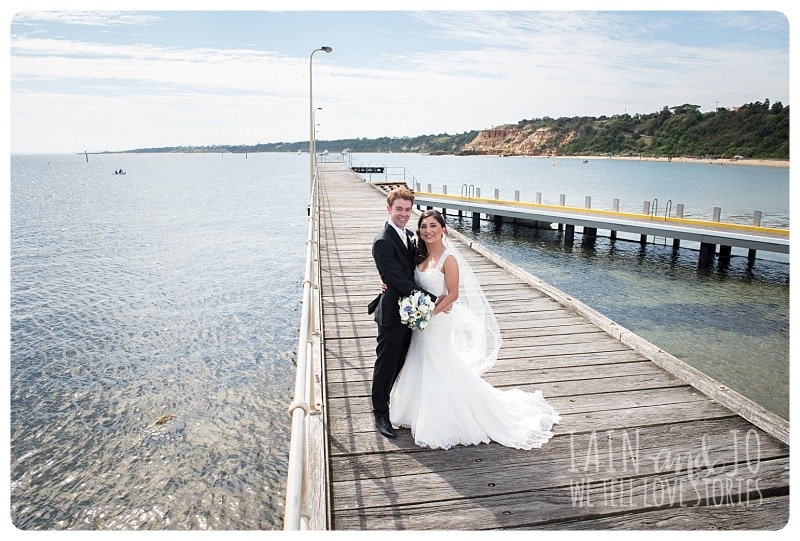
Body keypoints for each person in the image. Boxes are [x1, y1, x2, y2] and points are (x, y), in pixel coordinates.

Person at [390, 210, 561, 450]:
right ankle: (412, 410)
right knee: (419, 358)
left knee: (438, 361)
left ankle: (441, 416)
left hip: (436, 321)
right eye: (424, 226)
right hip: (422, 321)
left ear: (443, 229)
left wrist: (428, 315)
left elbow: (453, 295)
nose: (428, 230)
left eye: (433, 226)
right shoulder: (420, 255)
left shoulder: (449, 259)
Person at [368, 187, 438, 439]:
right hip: (392, 314)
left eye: (408, 210)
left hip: (411, 313)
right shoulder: (382, 241)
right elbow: (399, 280)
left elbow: (412, 269)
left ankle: (396, 404)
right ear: (389, 209)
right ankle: (380, 414)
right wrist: (434, 299)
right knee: (386, 364)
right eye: (399, 209)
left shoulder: (408, 235)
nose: (403, 214)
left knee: (401, 363)